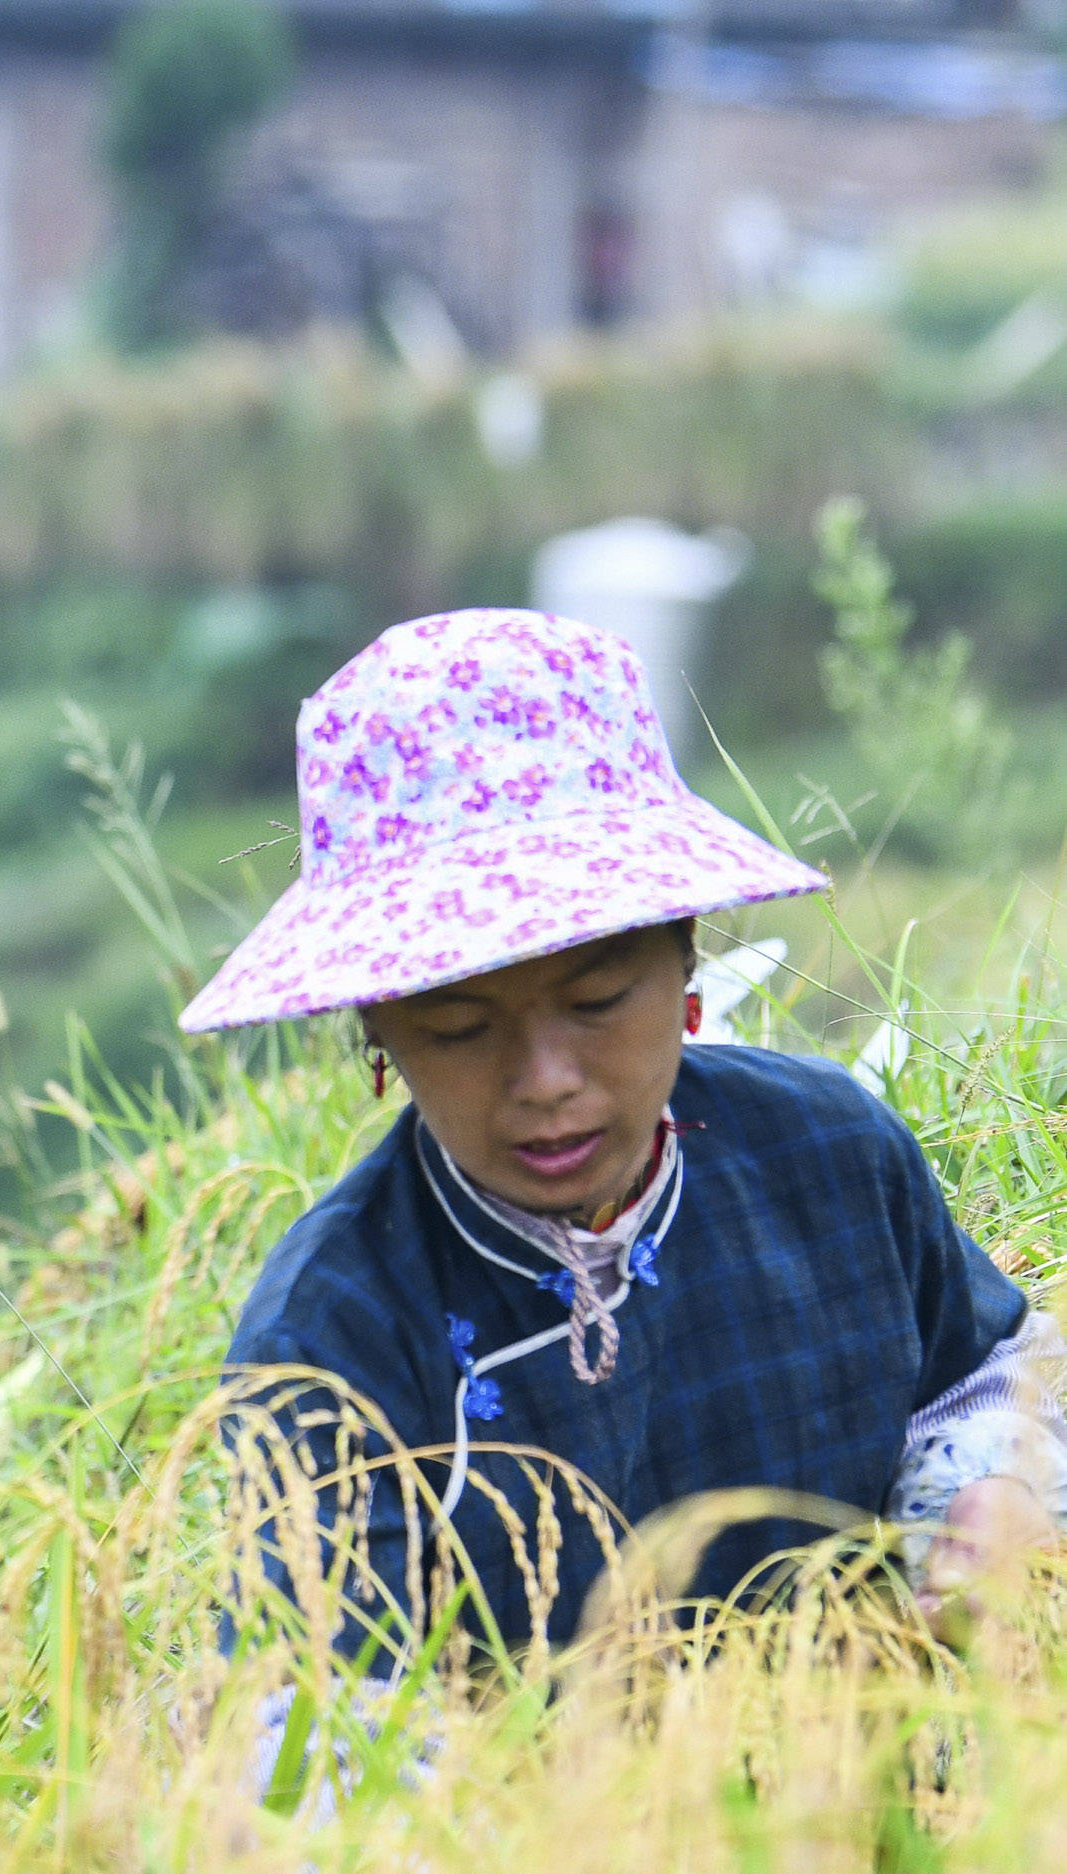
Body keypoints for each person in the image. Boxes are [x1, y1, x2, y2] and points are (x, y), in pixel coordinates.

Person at [191, 608, 1063, 1671]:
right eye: (460, 1029)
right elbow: (319, 1725)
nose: (546, 1083)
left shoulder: (827, 1154)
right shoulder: (335, 1332)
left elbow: (984, 1375)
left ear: (687, 957)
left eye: (598, 999)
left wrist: (990, 1493)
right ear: (376, 1030)